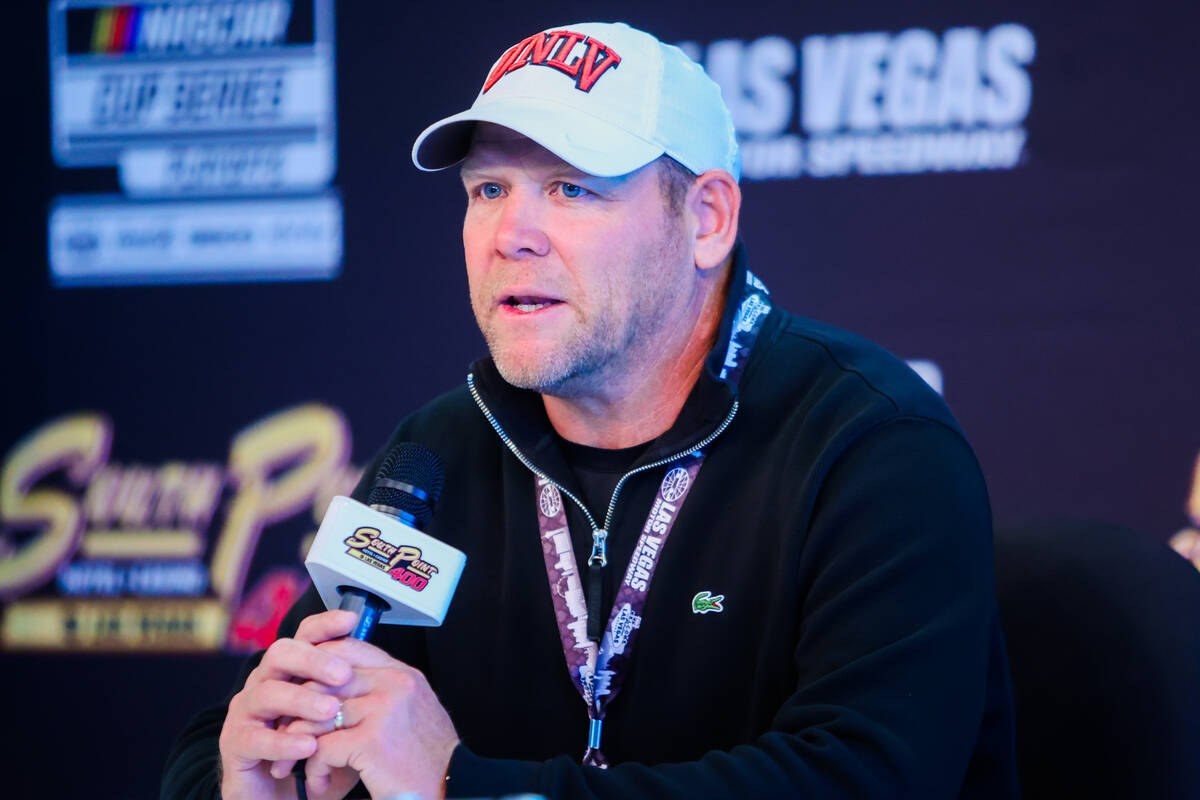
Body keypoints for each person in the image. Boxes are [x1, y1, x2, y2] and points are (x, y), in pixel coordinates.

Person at [163, 21, 1019, 800]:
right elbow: (234, 736)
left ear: (707, 220)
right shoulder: (440, 450)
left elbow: (864, 779)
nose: (511, 234)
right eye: (487, 190)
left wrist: (463, 786)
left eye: (571, 190)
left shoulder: (872, 444)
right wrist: (247, 784)